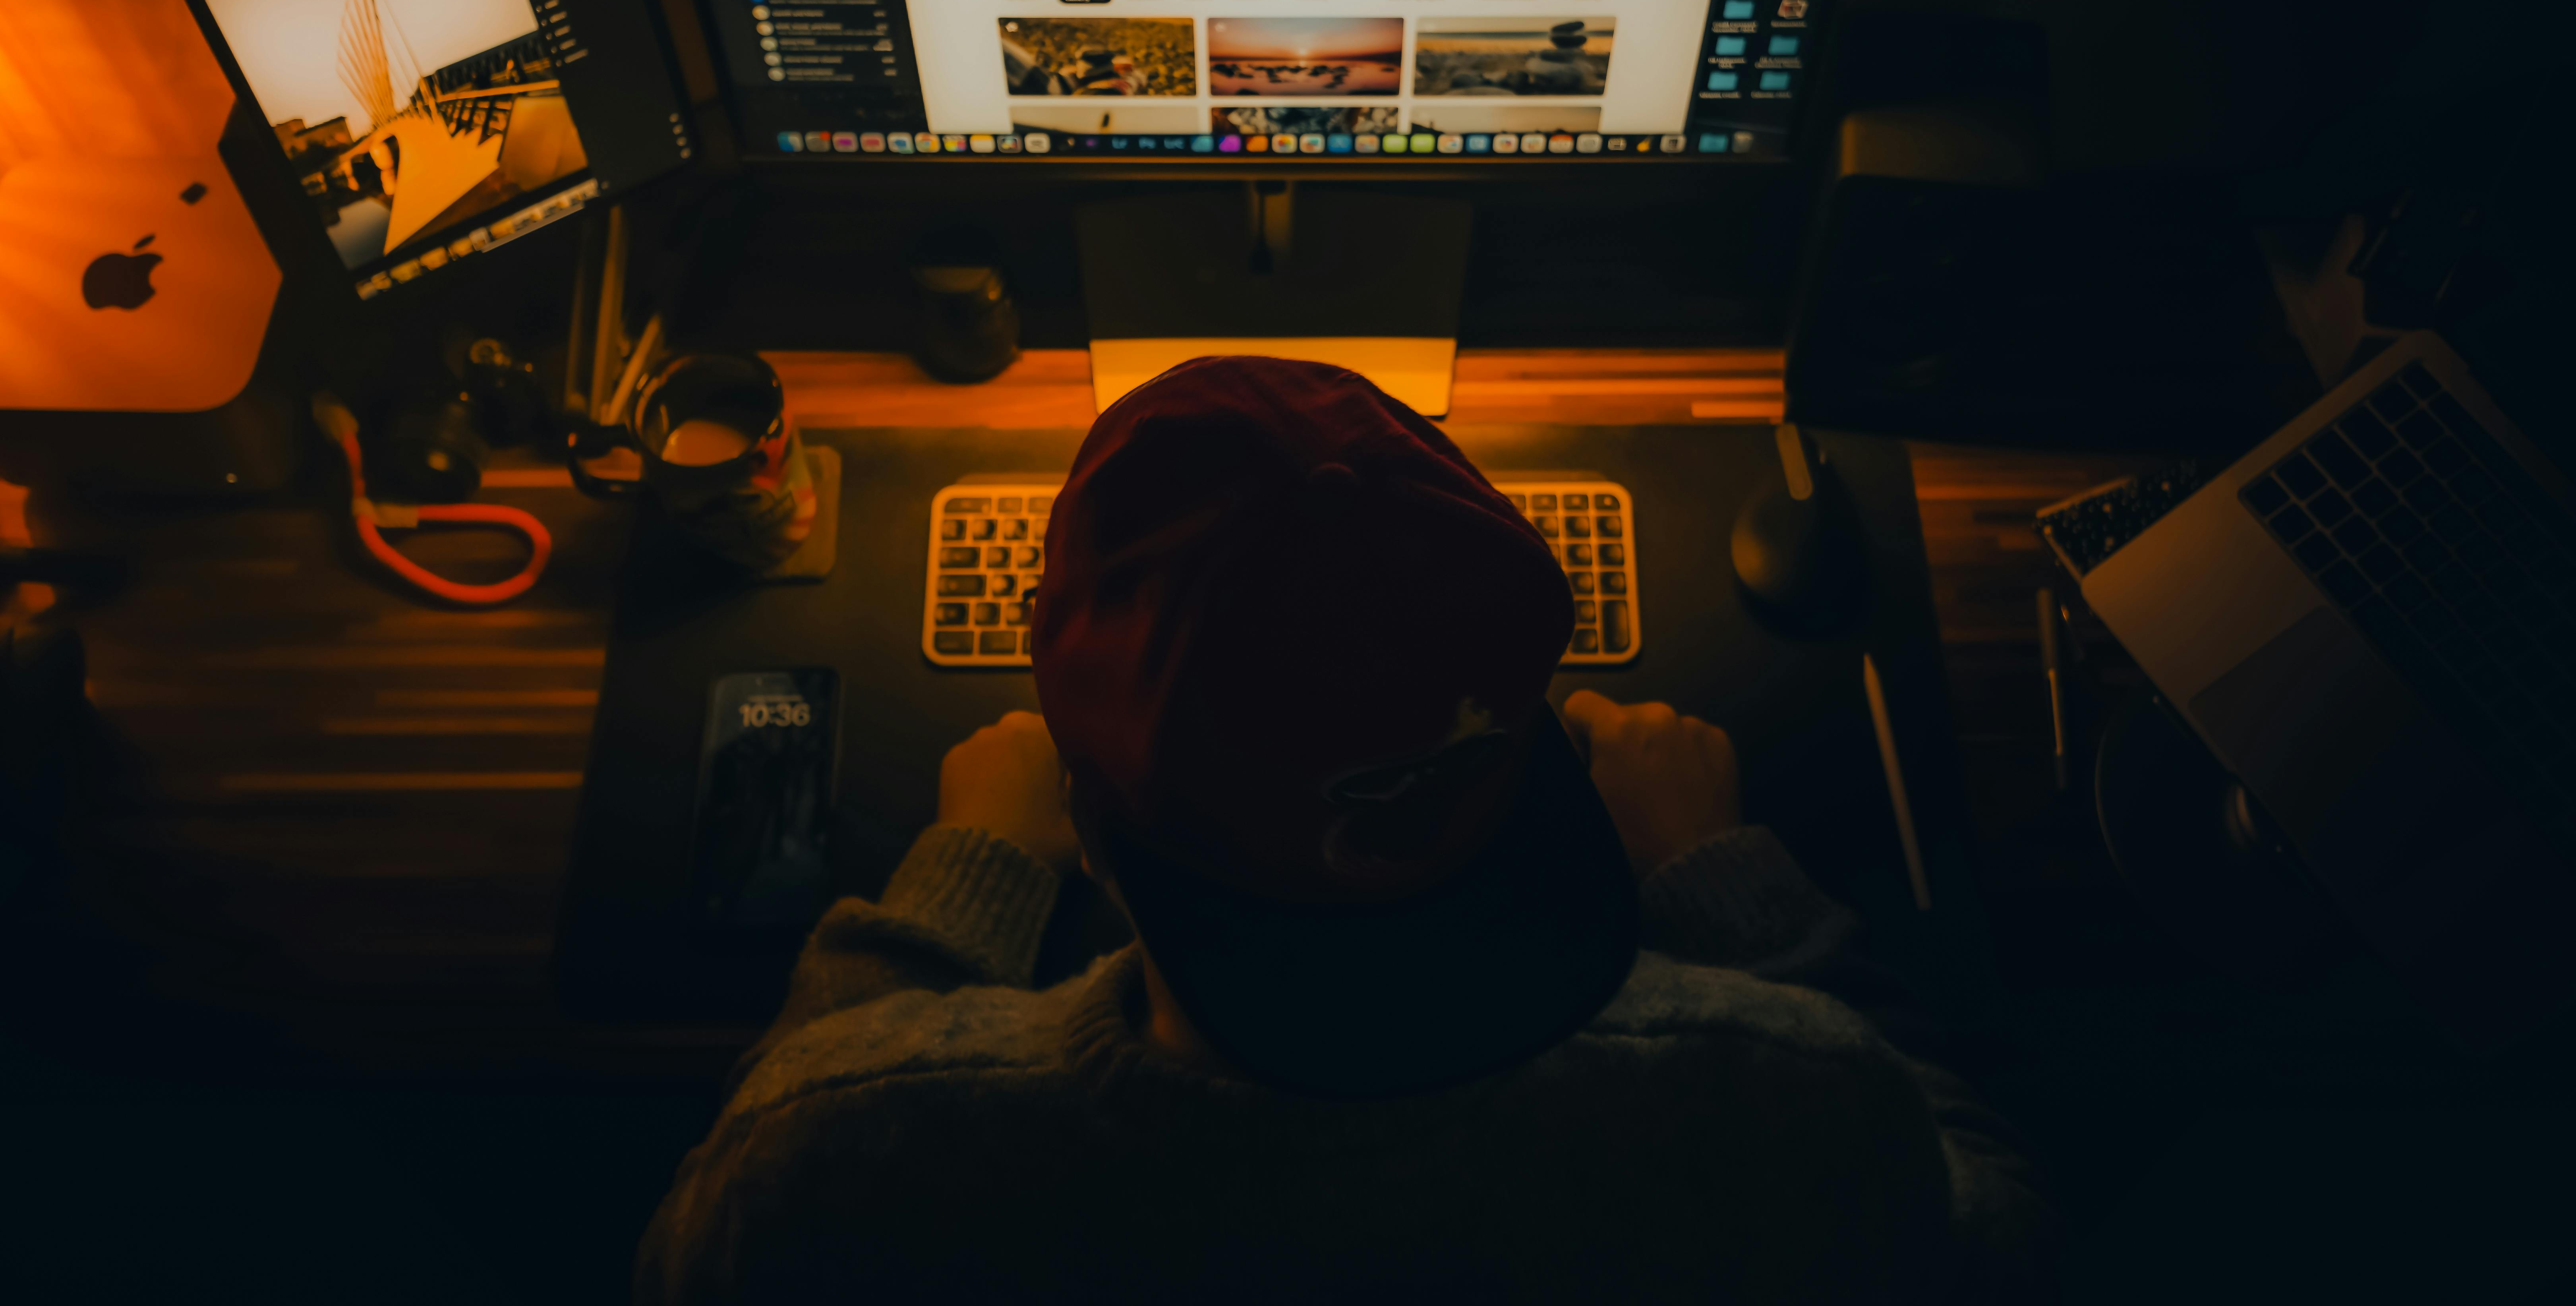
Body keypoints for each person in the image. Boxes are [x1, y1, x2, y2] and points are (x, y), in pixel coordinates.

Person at [636, 357, 2054, 1304]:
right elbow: (2002, 1234)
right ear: (1540, 753)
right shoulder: (1787, 1097)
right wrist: (1731, 885)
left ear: (1093, 824)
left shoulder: (836, 1162)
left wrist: (961, 889)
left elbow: (722, 1215)